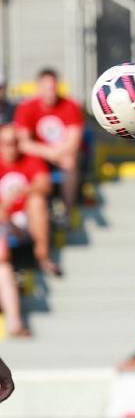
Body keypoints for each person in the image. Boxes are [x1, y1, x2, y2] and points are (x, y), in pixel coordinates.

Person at [13, 68, 83, 225]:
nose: (50, 92)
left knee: (70, 162)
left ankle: (67, 211)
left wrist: (56, 153)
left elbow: (73, 141)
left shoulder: (70, 106)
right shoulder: (26, 107)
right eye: (46, 88)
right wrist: (49, 153)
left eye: (53, 88)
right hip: (40, 156)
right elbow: (23, 143)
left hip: (62, 155)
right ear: (39, 87)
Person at [0, 123, 59, 276]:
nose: (11, 147)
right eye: (7, 143)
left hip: (26, 218)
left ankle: (42, 256)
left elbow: (45, 185)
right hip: (4, 220)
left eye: (15, 142)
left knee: (37, 201)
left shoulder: (30, 159)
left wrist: (23, 191)